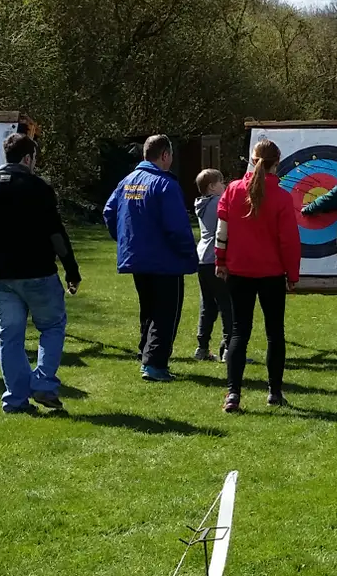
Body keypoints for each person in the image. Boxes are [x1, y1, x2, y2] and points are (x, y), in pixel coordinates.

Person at [0, 132, 81, 414]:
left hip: (1, 275)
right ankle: (44, 382)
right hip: (38, 272)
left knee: (9, 337)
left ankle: (15, 399)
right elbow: (56, 234)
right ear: (27, 158)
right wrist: (71, 269)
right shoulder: (39, 188)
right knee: (52, 326)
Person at [103, 134, 199, 382]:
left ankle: (145, 353)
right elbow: (176, 226)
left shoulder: (127, 181)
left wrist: (124, 239)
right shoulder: (165, 184)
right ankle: (154, 364)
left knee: (147, 308)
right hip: (165, 260)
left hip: (137, 257)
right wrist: (189, 251)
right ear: (165, 155)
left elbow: (109, 211)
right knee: (165, 312)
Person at [215, 139, 300, 410]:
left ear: (252, 160)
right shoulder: (282, 197)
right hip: (272, 273)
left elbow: (222, 232)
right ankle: (274, 392)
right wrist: (293, 274)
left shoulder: (232, 189)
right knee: (275, 333)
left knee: (240, 331)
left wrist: (220, 261)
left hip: (239, 270)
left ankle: (233, 393)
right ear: (277, 162)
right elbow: (289, 241)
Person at [192, 168, 233, 361]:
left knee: (207, 305)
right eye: (221, 182)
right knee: (227, 304)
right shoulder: (218, 202)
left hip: (202, 259)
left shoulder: (201, 203)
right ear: (212, 187)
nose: (224, 185)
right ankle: (228, 349)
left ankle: (202, 347)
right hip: (216, 258)